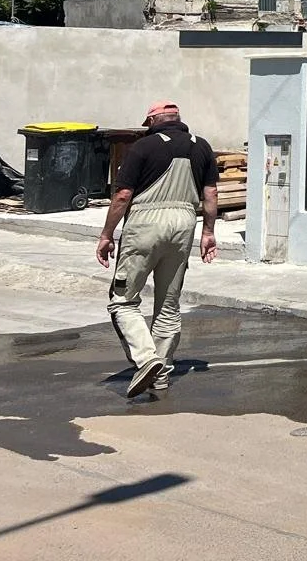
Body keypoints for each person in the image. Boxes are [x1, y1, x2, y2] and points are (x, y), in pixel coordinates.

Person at [95, 101, 220, 397]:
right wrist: (209, 232)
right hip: (184, 224)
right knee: (167, 305)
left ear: (152, 121)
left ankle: (146, 358)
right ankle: (160, 375)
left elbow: (124, 194)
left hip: (145, 223)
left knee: (122, 301)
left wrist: (106, 234)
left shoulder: (142, 147)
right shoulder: (202, 146)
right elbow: (211, 193)